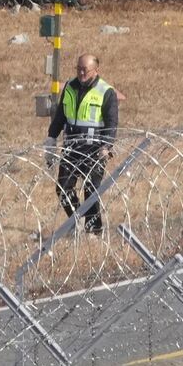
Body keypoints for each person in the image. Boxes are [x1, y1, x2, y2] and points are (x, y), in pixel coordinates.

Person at [44, 53, 119, 233]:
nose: (81, 73)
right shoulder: (70, 87)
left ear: (96, 70)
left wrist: (106, 146)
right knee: (63, 188)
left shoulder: (106, 92)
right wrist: (51, 138)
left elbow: (111, 123)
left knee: (91, 190)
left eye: (85, 69)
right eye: (78, 68)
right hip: (71, 147)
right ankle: (75, 220)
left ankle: (94, 230)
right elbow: (61, 115)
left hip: (94, 148)